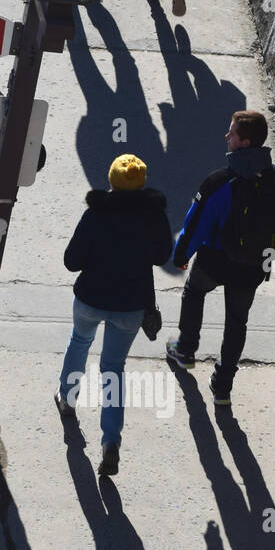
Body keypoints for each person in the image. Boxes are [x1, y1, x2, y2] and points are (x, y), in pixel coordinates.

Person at [166, 111, 275, 405]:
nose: (227, 137)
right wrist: (264, 253)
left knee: (194, 291)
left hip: (215, 260)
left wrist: (181, 256)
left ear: (244, 142)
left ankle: (185, 350)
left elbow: (195, 225)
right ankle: (223, 385)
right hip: (252, 268)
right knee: (237, 321)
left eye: (232, 134)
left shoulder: (219, 182)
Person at [57, 153, 172, 477]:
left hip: (91, 297)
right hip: (131, 304)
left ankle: (67, 398)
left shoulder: (96, 213)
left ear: (111, 181)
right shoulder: (153, 214)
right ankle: (110, 440)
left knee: (79, 341)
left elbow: (71, 261)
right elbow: (163, 254)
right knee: (113, 368)